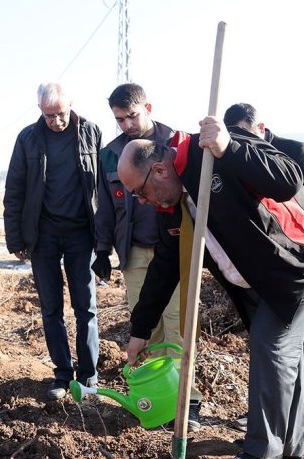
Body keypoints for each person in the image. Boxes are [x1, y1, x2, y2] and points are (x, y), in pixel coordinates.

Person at [120, 117, 304, 459]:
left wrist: (231, 149)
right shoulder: (172, 204)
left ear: (160, 170)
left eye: (140, 192)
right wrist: (141, 329)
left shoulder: (213, 148)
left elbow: (288, 180)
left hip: (302, 260)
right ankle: (290, 449)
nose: (142, 201)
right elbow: (165, 265)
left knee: (272, 347)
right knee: (282, 356)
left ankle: (260, 452)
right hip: (259, 280)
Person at [223, 102, 304, 443]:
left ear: (260, 127)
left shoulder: (294, 152)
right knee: (268, 341)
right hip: (269, 264)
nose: (242, 143)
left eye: (246, 135)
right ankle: (275, 412)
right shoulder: (237, 155)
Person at [93, 83, 203, 429]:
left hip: (173, 246)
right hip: (134, 250)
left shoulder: (172, 144)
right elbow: (105, 208)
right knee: (147, 323)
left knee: (176, 325)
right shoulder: (110, 154)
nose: (126, 124)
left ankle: (188, 401)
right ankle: (161, 398)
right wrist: (101, 249)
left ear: (148, 107)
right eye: (119, 119)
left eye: (132, 116)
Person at [3, 82, 102, 400]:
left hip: (81, 235)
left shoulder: (91, 132)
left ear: (71, 105)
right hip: (42, 236)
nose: (56, 121)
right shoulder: (27, 139)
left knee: (85, 307)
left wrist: (105, 238)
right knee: (51, 308)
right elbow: (14, 190)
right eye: (49, 116)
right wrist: (15, 237)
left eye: (60, 114)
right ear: (40, 111)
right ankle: (62, 375)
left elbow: (104, 187)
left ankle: (88, 378)